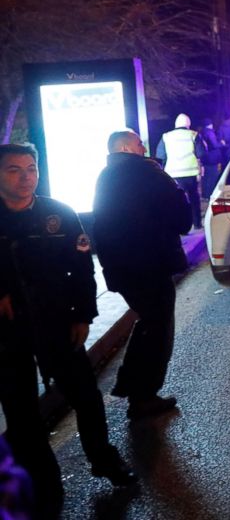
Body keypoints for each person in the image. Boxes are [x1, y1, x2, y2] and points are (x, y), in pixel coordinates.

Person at [0, 144, 135, 520]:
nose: (25, 176)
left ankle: (104, 460)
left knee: (87, 398)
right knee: (22, 413)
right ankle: (44, 484)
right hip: (8, 333)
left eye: (31, 168)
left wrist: (84, 316)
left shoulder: (57, 214)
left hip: (58, 322)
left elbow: (82, 270)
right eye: (14, 170)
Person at [92, 129, 190, 420]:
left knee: (148, 322)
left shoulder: (106, 176)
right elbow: (182, 217)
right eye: (138, 143)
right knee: (158, 328)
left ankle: (131, 386)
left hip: (124, 267)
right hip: (151, 263)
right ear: (125, 147)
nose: (143, 146)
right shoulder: (146, 172)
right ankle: (143, 395)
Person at [156, 113, 206, 230]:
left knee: (177, 201)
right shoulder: (193, 135)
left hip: (173, 174)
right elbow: (201, 153)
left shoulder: (166, 136)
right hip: (190, 174)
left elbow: (160, 155)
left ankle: (180, 226)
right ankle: (197, 223)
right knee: (194, 199)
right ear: (188, 124)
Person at [199, 119, 225, 197]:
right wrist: (222, 143)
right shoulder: (210, 133)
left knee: (206, 177)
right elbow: (215, 145)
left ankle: (205, 194)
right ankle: (210, 194)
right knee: (213, 177)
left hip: (206, 158)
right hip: (212, 159)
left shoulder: (201, 133)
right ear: (211, 124)